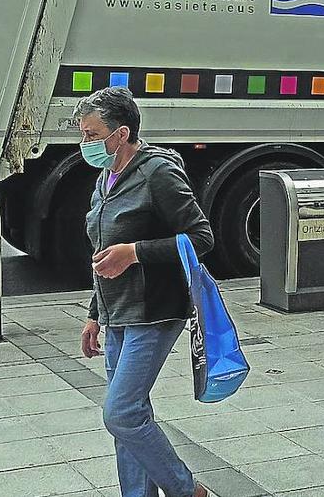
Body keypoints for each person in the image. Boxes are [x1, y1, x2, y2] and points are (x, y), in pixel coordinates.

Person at [75, 86, 213, 497]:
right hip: (117, 312)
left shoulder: (158, 173)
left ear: (121, 134)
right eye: (82, 133)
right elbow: (103, 253)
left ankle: (188, 491)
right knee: (131, 416)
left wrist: (134, 252)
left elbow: (201, 237)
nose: (85, 143)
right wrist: (94, 314)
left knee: (120, 414)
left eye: (92, 134)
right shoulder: (106, 177)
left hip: (154, 311)